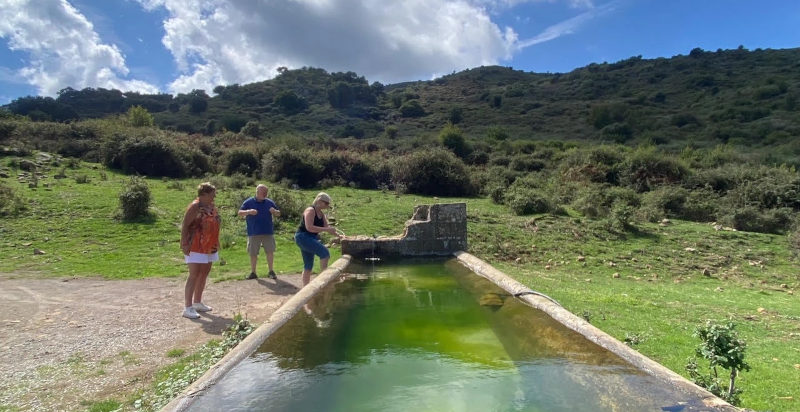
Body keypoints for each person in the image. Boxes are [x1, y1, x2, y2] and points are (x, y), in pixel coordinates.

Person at [179, 182, 221, 319]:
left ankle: (197, 302)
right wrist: (183, 242)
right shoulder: (195, 207)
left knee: (204, 273)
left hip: (210, 246)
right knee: (194, 274)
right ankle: (188, 307)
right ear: (203, 194)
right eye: (211, 194)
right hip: (195, 245)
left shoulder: (211, 206)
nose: (214, 197)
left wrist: (216, 240)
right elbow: (185, 225)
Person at [294, 192, 339, 286]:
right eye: (326, 203)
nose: (327, 205)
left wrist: (340, 236)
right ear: (319, 201)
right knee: (325, 253)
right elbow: (309, 227)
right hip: (303, 236)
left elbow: (327, 228)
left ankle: (305, 288)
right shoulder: (310, 210)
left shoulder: (321, 214)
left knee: (308, 265)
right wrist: (327, 229)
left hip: (310, 238)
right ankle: (324, 281)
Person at [238, 184, 281, 280]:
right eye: (263, 192)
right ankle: (253, 272)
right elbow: (240, 213)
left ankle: (271, 271)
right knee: (253, 253)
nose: (265, 194)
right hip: (253, 232)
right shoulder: (249, 202)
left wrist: (274, 211)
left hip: (268, 231)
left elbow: (279, 213)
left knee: (270, 251)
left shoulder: (270, 202)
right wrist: (249, 211)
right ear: (257, 192)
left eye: (266, 192)